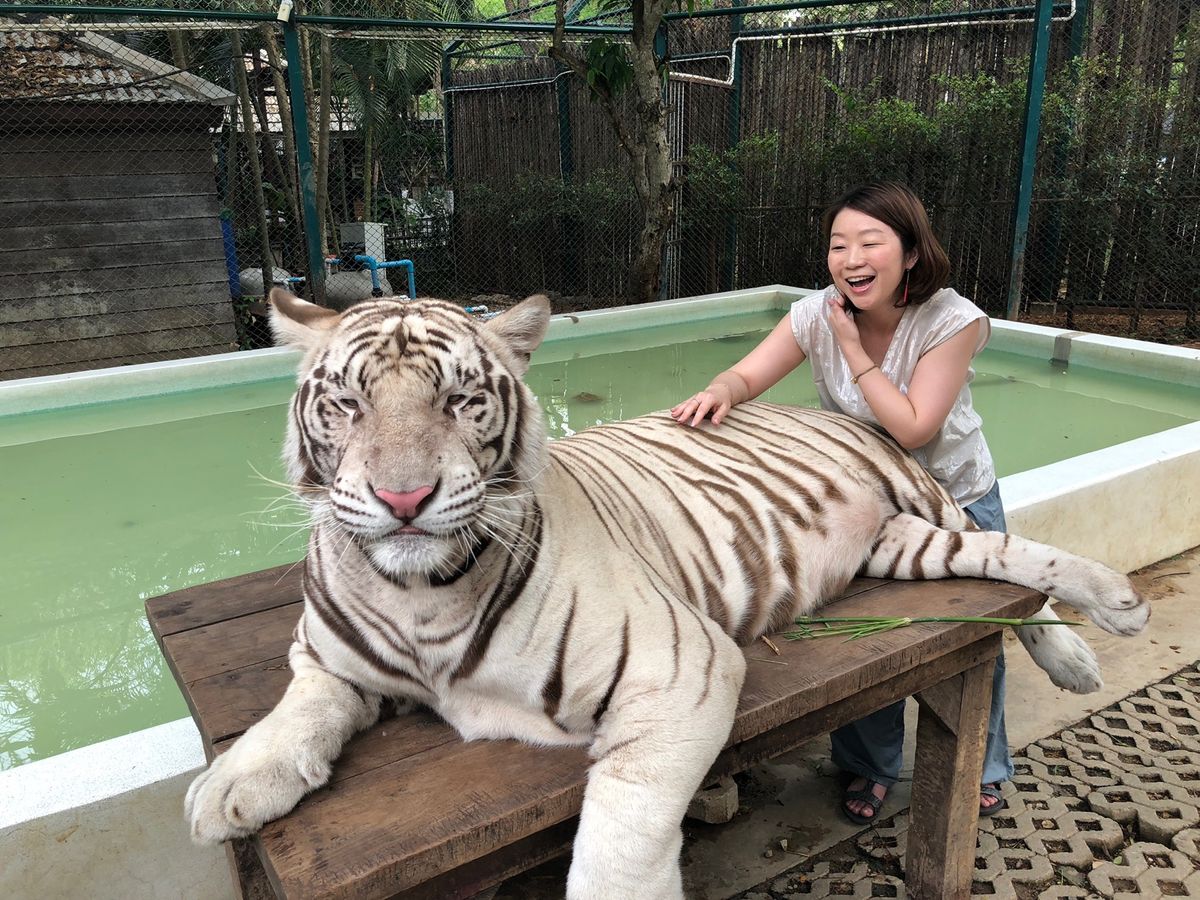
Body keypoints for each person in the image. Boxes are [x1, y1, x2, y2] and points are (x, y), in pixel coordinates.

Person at [670, 181, 1011, 825]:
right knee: (866, 642)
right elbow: (747, 374)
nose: (850, 258)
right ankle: (870, 767)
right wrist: (719, 391)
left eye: (870, 242)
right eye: (837, 244)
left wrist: (852, 351)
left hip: (957, 504)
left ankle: (983, 764)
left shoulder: (952, 320)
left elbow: (914, 428)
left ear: (910, 252)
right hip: (866, 512)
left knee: (975, 642)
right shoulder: (814, 313)